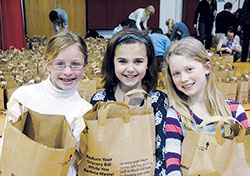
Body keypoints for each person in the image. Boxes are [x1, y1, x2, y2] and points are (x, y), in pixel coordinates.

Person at [0, 30, 93, 176]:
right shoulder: (24, 96)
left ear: (85, 65)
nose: (68, 72)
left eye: (75, 64)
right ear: (47, 64)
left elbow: (79, 163)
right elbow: (7, 144)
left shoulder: (85, 112)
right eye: (60, 64)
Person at [163, 37, 250, 175]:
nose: (183, 78)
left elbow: (245, 154)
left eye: (189, 69)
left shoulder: (234, 111)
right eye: (176, 74)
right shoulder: (176, 115)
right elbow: (172, 163)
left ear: (207, 68)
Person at [90, 29, 169, 175]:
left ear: (148, 63)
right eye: (122, 61)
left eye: (138, 61)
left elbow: (162, 152)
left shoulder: (158, 100)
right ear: (112, 63)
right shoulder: (99, 100)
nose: (130, 69)